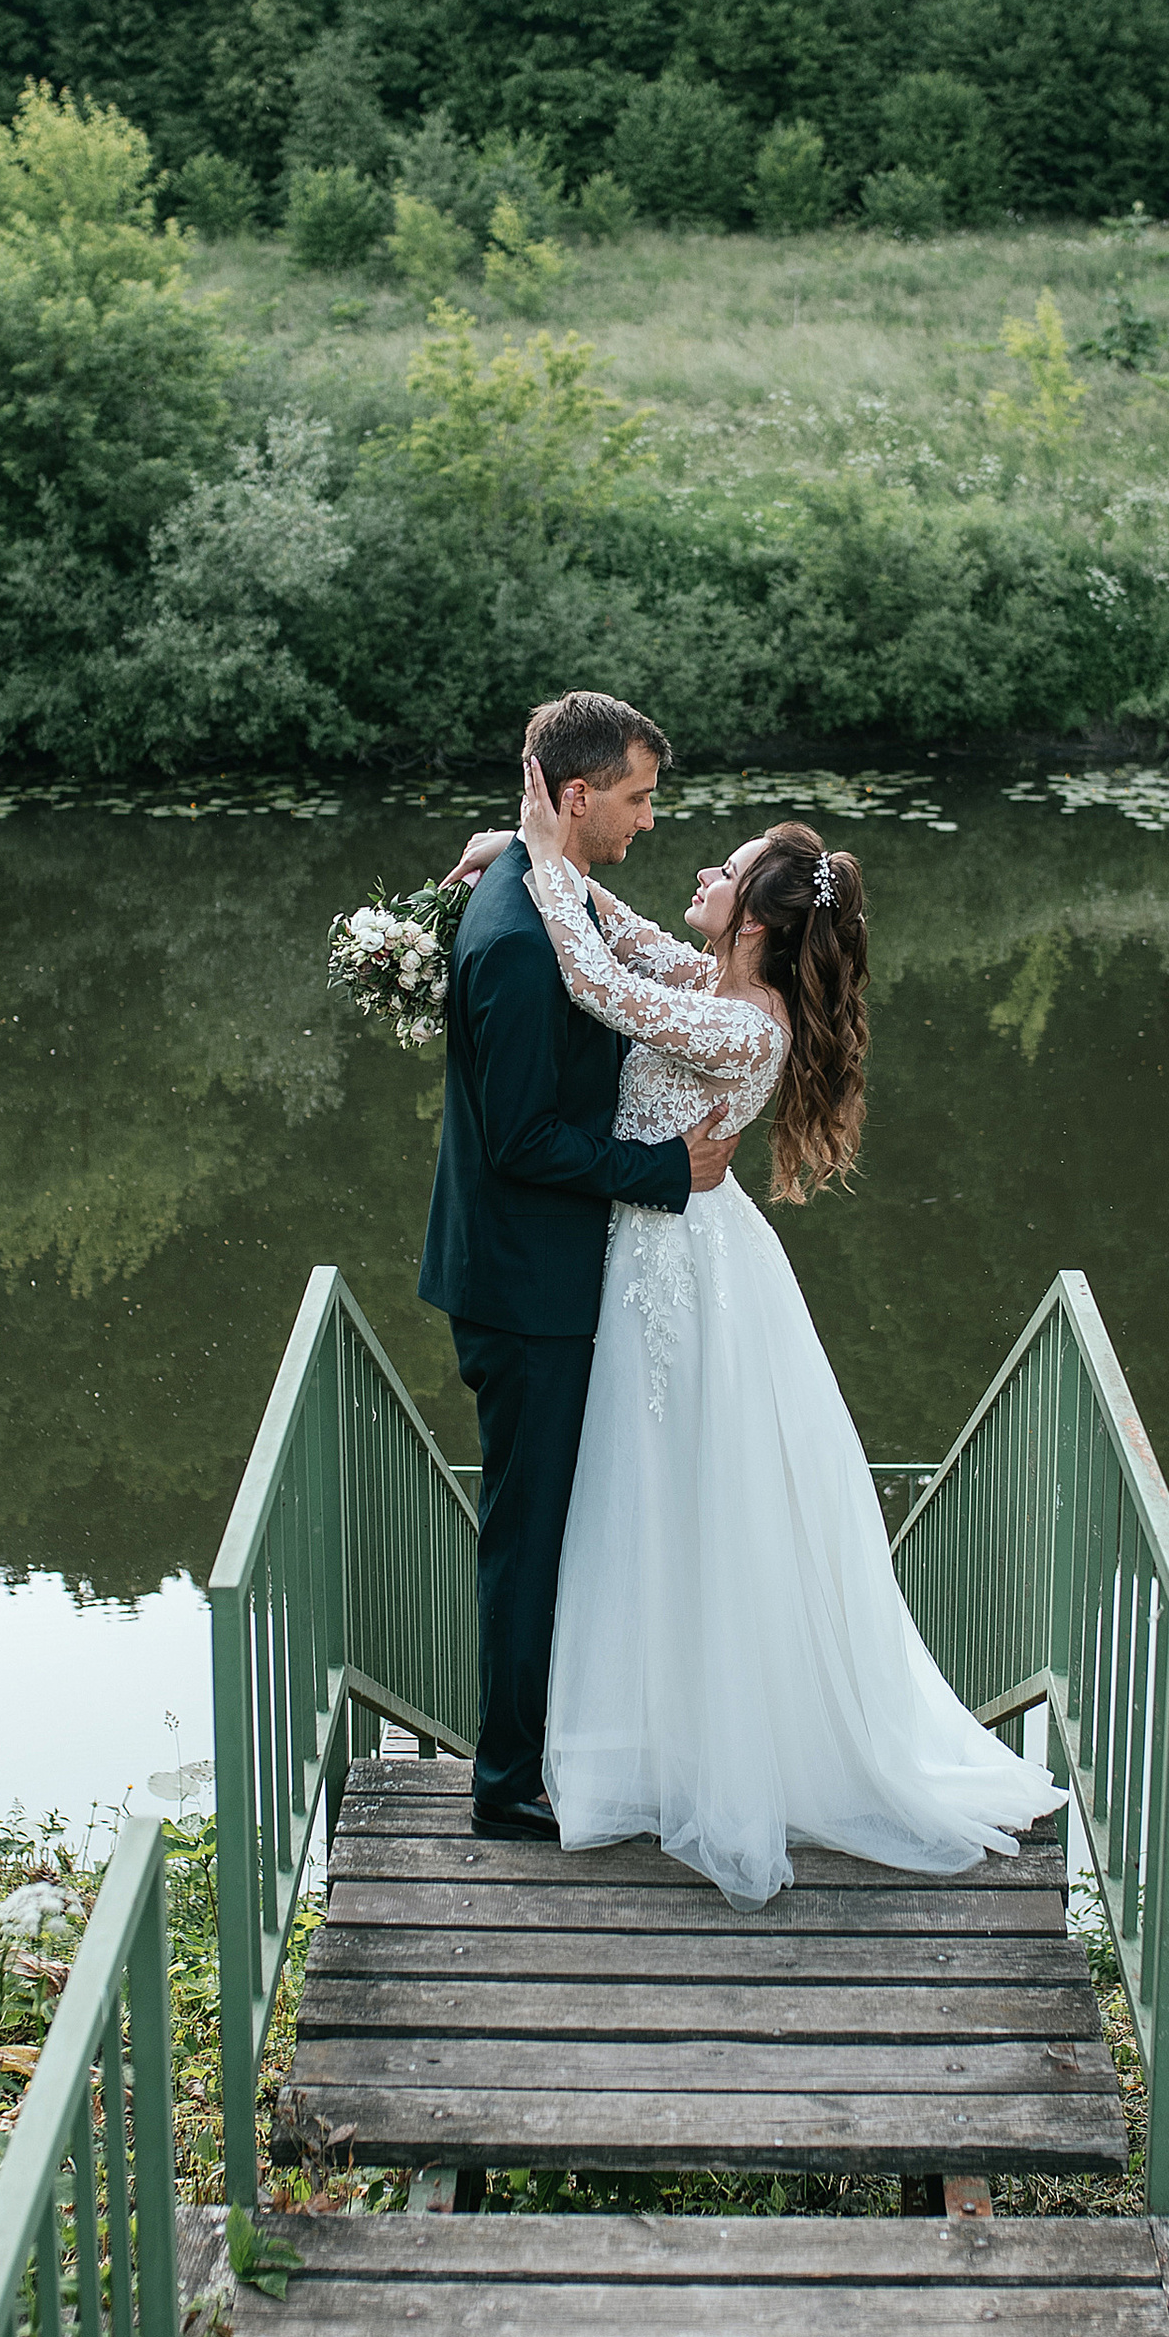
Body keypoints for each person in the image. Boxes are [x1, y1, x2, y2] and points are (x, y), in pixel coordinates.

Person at [441, 753, 1063, 1910]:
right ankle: (652, 1734)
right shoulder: (717, 983)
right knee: (651, 1500)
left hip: (682, 1271)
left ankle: (701, 1748)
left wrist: (543, 859)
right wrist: (522, 855)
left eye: (721, 873)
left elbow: (599, 982)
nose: (697, 872)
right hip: (655, 1256)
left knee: (682, 1501)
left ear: (759, 924)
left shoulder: (744, 1026)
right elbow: (627, 938)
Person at [417, 692, 741, 1839]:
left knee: (555, 1525)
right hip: (525, 1290)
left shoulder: (541, 889)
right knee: (529, 1536)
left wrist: (512, 842)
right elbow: (520, 1140)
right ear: (576, 793)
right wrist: (663, 1170)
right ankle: (507, 1785)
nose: (650, 820)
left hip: (543, 1273)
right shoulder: (516, 942)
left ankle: (552, 1747)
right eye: (639, 798)